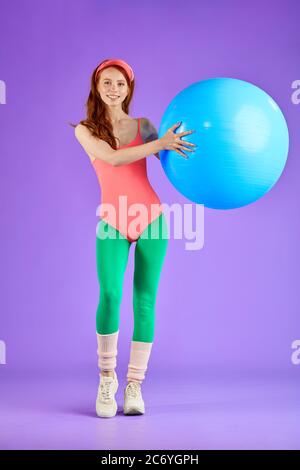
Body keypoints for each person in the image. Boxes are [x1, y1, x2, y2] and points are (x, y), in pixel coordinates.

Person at [74, 58, 196, 418]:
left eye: (121, 84)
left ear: (129, 90)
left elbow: (175, 158)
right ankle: (107, 378)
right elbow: (111, 159)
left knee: (145, 301)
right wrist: (159, 142)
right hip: (112, 219)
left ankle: (134, 387)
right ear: (96, 86)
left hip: (152, 219)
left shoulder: (144, 126)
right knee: (110, 295)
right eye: (107, 82)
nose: (114, 89)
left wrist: (195, 149)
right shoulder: (85, 129)